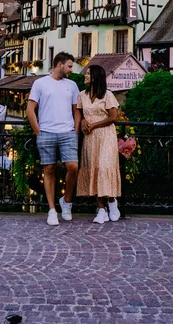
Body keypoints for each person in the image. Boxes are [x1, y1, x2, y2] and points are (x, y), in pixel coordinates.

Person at [26, 52, 81, 226]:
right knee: (48, 170)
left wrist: (75, 131)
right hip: (46, 132)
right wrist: (38, 132)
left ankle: (66, 201)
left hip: (67, 132)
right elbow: (30, 109)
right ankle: (51, 210)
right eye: (70, 66)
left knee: (73, 167)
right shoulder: (40, 83)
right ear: (59, 65)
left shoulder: (72, 85)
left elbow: (77, 110)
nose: (72, 69)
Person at [76, 64, 121, 224]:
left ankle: (112, 201)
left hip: (106, 136)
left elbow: (114, 117)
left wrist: (93, 125)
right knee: (94, 169)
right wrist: (82, 122)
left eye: (88, 74)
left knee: (104, 167)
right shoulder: (82, 95)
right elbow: (80, 114)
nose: (85, 76)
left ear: (95, 77)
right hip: (90, 138)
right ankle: (101, 209)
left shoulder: (107, 95)